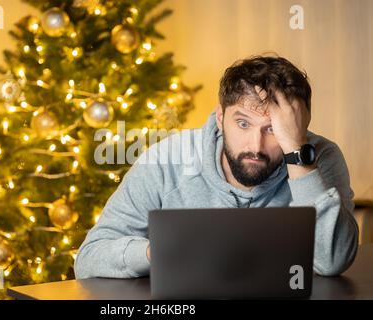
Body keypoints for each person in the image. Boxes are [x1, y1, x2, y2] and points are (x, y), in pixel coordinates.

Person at [74, 54, 359, 279]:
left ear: (299, 127)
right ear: (220, 117)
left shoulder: (318, 157)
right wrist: (156, 252)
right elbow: (89, 258)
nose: (255, 146)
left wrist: (297, 155)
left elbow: (332, 260)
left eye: (272, 129)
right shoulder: (166, 160)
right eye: (243, 123)